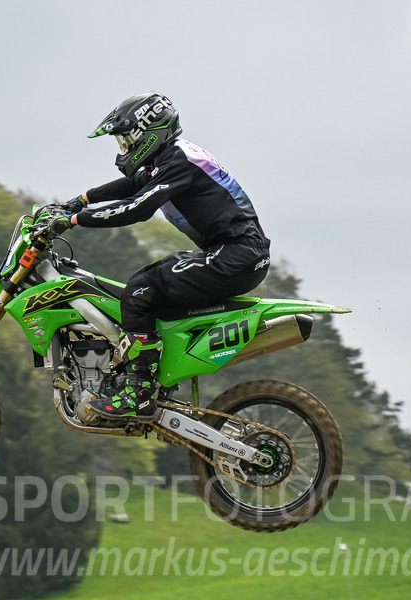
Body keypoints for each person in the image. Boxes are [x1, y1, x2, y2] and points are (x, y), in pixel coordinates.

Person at [45, 93, 271, 419]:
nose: (123, 148)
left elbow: (138, 207)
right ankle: (151, 375)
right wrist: (79, 201)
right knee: (144, 282)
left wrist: (74, 220)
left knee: (139, 291)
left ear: (149, 133)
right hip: (232, 252)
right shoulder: (171, 157)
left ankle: (139, 392)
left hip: (237, 255)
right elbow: (132, 185)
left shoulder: (178, 161)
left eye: (126, 139)